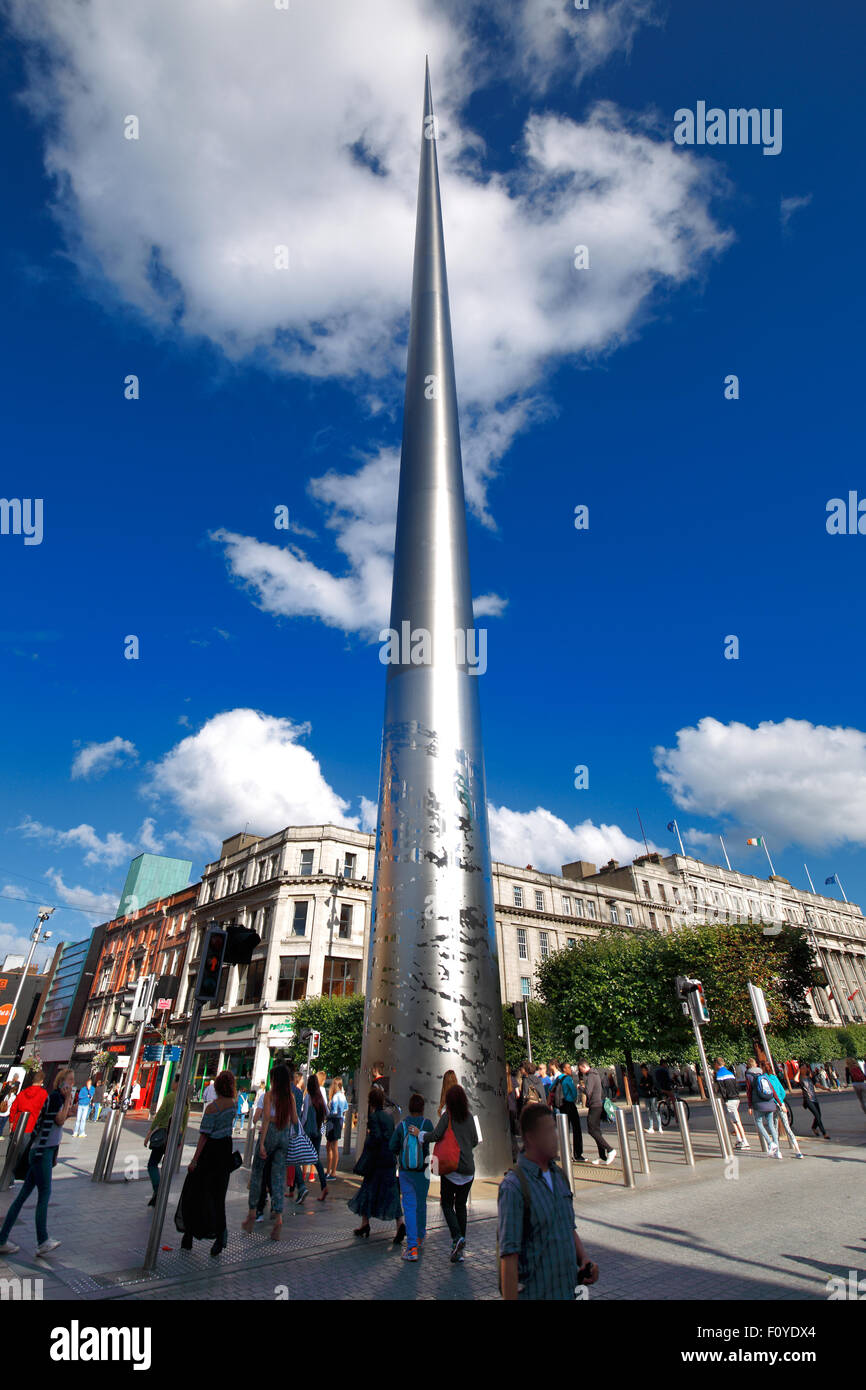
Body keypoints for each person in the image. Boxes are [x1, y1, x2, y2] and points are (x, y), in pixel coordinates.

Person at [498, 1102, 598, 1300]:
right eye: (549, 1131)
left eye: (554, 1129)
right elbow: (509, 1257)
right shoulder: (514, 1187)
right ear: (530, 1138)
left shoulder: (559, 1176)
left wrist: (584, 1258)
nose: (556, 1137)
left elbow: (568, 1226)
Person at [0, 1067, 74, 1257]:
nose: (73, 1084)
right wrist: (67, 1102)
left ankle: (2, 1239)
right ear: (61, 1082)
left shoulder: (52, 1097)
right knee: (44, 1194)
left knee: (23, 1196)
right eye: (70, 1080)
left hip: (41, 1150)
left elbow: (52, 1127)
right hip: (42, 1152)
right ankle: (42, 1240)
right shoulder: (57, 1097)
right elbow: (58, 1121)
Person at [175, 1070, 237, 1256]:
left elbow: (204, 1136)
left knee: (195, 1192)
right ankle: (220, 1235)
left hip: (210, 1152)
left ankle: (188, 1234)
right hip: (225, 1150)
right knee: (218, 1196)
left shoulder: (212, 1108)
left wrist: (194, 1160)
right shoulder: (233, 1106)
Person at [418, 1083, 478, 1263]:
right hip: (468, 1170)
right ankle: (459, 1247)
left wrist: (420, 1135)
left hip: (452, 1168)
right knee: (461, 1206)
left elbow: (435, 1135)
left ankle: (456, 1236)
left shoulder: (448, 1116)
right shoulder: (469, 1117)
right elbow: (475, 1140)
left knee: (446, 1203)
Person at [243, 1064, 298, 1242]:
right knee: (278, 1176)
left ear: (275, 1080)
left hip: (271, 1133)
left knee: (258, 1173)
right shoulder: (290, 1097)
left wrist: (262, 1145)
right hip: (285, 1135)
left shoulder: (269, 1095)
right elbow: (295, 1119)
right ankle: (279, 1216)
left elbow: (266, 1118)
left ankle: (252, 1213)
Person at [348, 1086, 403, 1242]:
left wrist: (370, 1138)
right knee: (391, 1191)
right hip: (389, 1159)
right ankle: (400, 1223)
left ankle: (365, 1223)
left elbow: (376, 1138)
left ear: (371, 1102)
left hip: (377, 1161)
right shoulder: (388, 1117)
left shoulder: (374, 1117)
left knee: (368, 1189)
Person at [390, 1093, 433, 1262]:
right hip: (424, 1171)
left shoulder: (402, 1126)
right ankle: (420, 1236)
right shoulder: (427, 1124)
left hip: (406, 1171)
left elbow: (392, 1146)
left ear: (409, 1107)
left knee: (409, 1206)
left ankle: (412, 1246)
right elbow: (433, 1138)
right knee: (421, 1203)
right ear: (422, 1108)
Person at [143, 1077, 188, 1206]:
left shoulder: (170, 1097)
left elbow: (160, 1115)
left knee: (152, 1163)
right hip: (176, 1136)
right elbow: (184, 1122)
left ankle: (158, 1189)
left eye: (174, 1081)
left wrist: (149, 1132)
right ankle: (158, 1193)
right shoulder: (186, 1100)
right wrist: (180, 1139)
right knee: (166, 1164)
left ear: (176, 1083)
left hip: (164, 1134)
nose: (172, 1084)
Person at [577, 1060, 616, 1166]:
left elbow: (588, 1092)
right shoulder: (595, 1074)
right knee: (596, 1130)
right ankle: (602, 1156)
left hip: (595, 1105)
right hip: (597, 1104)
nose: (581, 1072)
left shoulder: (590, 1076)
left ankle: (610, 1149)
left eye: (580, 1069)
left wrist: (580, 1087)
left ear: (583, 1067)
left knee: (591, 1130)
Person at [301, 1073, 329, 1201]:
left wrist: (299, 1127)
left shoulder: (308, 1097)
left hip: (308, 1131)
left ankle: (299, 1186)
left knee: (300, 1156)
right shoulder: (320, 1097)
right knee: (316, 1159)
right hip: (318, 1131)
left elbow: (305, 1116)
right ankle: (323, 1186)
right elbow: (327, 1113)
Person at [745, 1058, 780, 1157]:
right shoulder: (763, 1074)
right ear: (755, 1064)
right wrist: (778, 1102)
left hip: (758, 1103)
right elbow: (772, 1089)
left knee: (759, 1122)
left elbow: (749, 1091)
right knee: (771, 1125)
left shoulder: (748, 1076)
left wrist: (750, 1105)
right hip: (769, 1101)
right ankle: (778, 1151)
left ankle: (770, 1143)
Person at [765, 1070, 803, 1158]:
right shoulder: (775, 1078)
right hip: (781, 1104)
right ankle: (798, 1150)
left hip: (772, 1105)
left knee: (774, 1127)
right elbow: (782, 1091)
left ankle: (777, 1151)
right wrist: (781, 1102)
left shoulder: (765, 1079)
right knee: (787, 1127)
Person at [550, 1062, 584, 1161]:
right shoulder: (568, 1079)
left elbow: (550, 1088)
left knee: (565, 1129)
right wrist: (573, 1098)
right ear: (564, 1069)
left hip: (561, 1105)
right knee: (576, 1129)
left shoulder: (558, 1078)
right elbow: (573, 1092)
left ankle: (566, 1153)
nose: (570, 1069)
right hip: (569, 1104)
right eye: (568, 1067)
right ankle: (577, 1154)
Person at [713, 1058, 749, 1150]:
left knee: (736, 1121)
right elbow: (736, 1085)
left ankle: (744, 1140)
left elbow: (722, 1089)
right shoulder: (730, 1073)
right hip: (736, 1097)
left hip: (729, 1099)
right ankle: (739, 1139)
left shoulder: (719, 1075)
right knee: (734, 1120)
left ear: (717, 1064)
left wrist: (724, 1099)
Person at [7, 1070, 48, 1145]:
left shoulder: (23, 1092)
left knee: (11, 1152)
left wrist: (11, 1122)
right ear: (41, 1081)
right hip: (31, 1126)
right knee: (24, 1153)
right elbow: (45, 1111)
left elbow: (13, 1108)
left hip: (17, 1125)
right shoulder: (43, 1094)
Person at [798, 1065, 829, 1139]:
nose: (805, 1069)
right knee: (817, 1115)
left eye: (805, 1068)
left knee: (819, 1115)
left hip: (814, 1098)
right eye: (803, 1068)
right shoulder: (800, 1079)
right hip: (808, 1100)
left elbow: (817, 1085)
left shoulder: (810, 1078)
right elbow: (795, 1079)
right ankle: (824, 1133)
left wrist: (825, 1088)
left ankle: (814, 1127)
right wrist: (798, 1072)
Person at [325, 1078, 348, 1178]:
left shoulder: (335, 1097)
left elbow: (333, 1112)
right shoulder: (342, 1096)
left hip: (333, 1122)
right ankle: (331, 1170)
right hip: (339, 1121)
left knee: (331, 1146)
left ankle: (331, 1171)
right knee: (333, 1146)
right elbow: (346, 1108)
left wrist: (327, 1115)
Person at [638, 1063, 661, 1135]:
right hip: (646, 1096)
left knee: (655, 1110)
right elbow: (641, 1086)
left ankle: (660, 1126)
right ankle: (651, 1127)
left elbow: (651, 1085)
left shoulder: (650, 1077)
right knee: (648, 1111)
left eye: (644, 1070)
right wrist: (645, 1085)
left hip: (652, 1095)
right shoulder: (642, 1078)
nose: (643, 1071)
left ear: (647, 1070)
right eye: (642, 1070)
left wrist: (645, 1085)